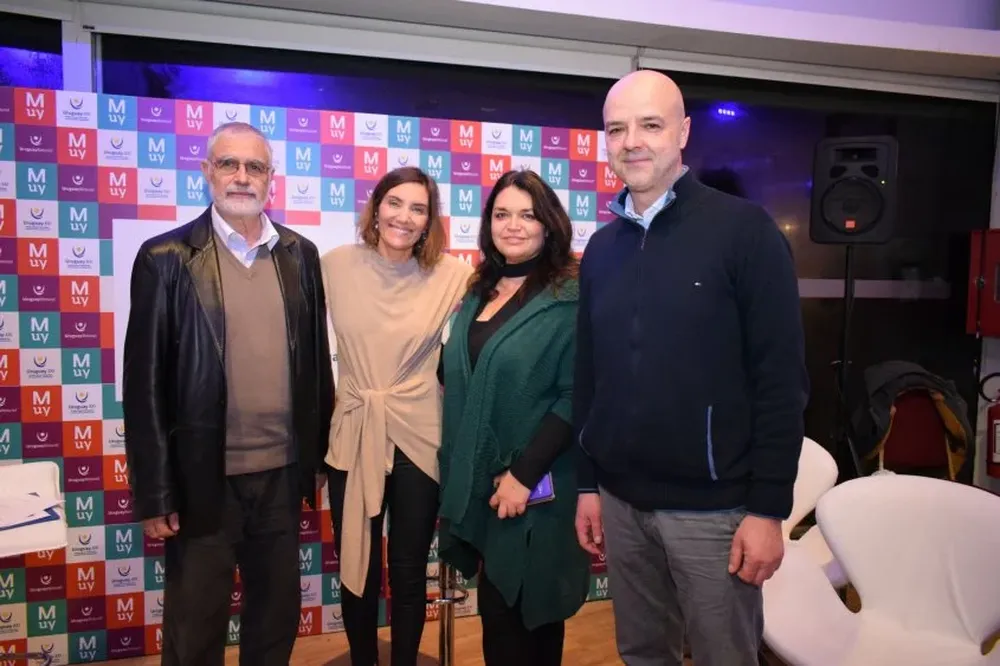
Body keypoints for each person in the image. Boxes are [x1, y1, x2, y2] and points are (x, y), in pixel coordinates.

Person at [573, 69, 809, 666]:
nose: (633, 142)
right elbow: (590, 374)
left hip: (715, 513)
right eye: (617, 128)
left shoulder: (744, 231)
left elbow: (781, 382)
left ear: (683, 132)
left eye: (650, 125)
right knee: (642, 654)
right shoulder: (602, 249)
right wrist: (585, 484)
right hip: (621, 504)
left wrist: (767, 509)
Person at [122, 121, 335, 665]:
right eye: (228, 164)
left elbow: (315, 367)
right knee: (195, 629)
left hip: (282, 480)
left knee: (274, 624)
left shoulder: (300, 254)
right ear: (206, 172)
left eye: (255, 166)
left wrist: (318, 464)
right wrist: (155, 493)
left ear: (271, 179)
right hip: (201, 483)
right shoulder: (165, 258)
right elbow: (144, 384)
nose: (242, 177)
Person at [437, 169, 591, 666]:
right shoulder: (479, 289)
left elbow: (576, 397)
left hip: (535, 491)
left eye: (528, 215)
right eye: (502, 214)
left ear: (550, 224)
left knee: (528, 624)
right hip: (488, 488)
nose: (514, 226)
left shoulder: (570, 296)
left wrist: (523, 477)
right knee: (498, 624)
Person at [322, 166, 473, 666]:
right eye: (395, 203)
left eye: (418, 208)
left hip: (419, 435)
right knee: (358, 566)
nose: (404, 217)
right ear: (376, 207)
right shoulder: (335, 266)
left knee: (409, 569)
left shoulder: (454, 276)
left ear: (430, 220)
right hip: (355, 431)